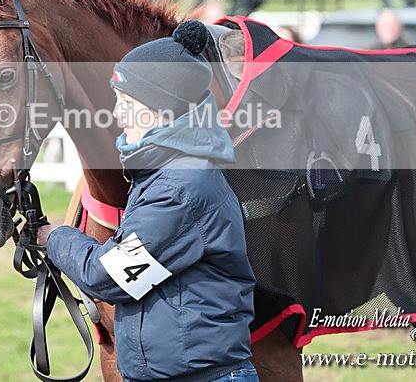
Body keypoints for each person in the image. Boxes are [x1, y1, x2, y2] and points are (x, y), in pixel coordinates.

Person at [37, 20, 258, 382]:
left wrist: (54, 237)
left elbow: (108, 276)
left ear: (161, 110)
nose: (118, 112)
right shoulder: (165, 173)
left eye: (126, 101)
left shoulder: (180, 186)